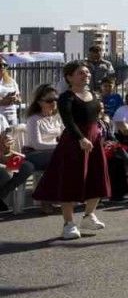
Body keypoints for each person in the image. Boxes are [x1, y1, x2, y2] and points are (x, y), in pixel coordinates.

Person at [33, 62, 111, 240]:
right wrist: (81, 139)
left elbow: (96, 117)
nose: (86, 75)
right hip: (73, 143)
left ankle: (89, 216)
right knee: (70, 182)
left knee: (97, 178)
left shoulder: (94, 95)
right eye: (80, 73)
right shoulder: (66, 97)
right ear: (69, 77)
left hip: (94, 141)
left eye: (87, 72)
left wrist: (100, 130)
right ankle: (68, 224)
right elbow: (68, 121)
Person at [0, 114, 34, 214]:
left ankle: (2, 194)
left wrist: (7, 145)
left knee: (26, 166)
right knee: (4, 173)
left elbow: (5, 147)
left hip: (2, 156)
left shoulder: (1, 118)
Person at [0, 59, 21, 126]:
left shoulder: (11, 81)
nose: (2, 67)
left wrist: (16, 99)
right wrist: (6, 100)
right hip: (1, 117)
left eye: (5, 65)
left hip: (12, 116)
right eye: (0, 65)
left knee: (13, 132)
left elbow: (19, 99)